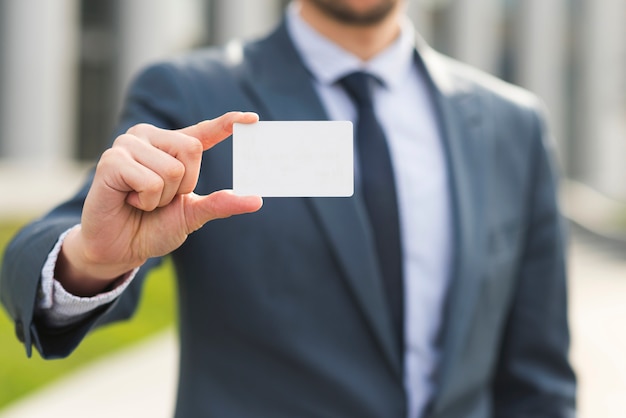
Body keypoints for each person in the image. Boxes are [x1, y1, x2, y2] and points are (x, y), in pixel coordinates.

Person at [1, 0, 576, 417]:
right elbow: (53, 240)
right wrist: (92, 256)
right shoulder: (195, 94)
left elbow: (538, 372)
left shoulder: (511, 125)